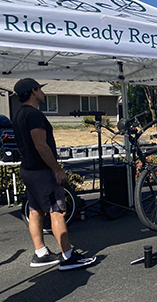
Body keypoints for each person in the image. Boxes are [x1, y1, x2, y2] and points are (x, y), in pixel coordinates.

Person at [12, 78, 96, 270]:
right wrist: (57, 169)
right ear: (33, 91)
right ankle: (68, 257)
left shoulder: (18, 115)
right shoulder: (34, 115)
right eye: (40, 89)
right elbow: (40, 145)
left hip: (28, 169)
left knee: (35, 211)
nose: (43, 92)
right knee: (57, 211)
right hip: (42, 172)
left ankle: (40, 253)